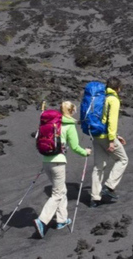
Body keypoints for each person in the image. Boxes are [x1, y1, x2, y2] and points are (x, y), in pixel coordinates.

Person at [34, 101, 91, 238]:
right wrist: (86, 152)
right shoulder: (69, 126)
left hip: (46, 160)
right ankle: (42, 220)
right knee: (58, 194)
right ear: (71, 111)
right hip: (58, 162)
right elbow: (76, 147)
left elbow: (38, 138)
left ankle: (61, 220)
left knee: (61, 190)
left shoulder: (51, 122)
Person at [90, 77, 128, 207]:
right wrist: (112, 140)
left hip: (96, 135)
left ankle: (95, 198)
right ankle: (109, 186)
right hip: (106, 136)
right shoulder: (113, 99)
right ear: (117, 88)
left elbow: (102, 119)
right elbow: (111, 121)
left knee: (98, 167)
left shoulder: (100, 97)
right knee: (123, 159)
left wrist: (116, 136)